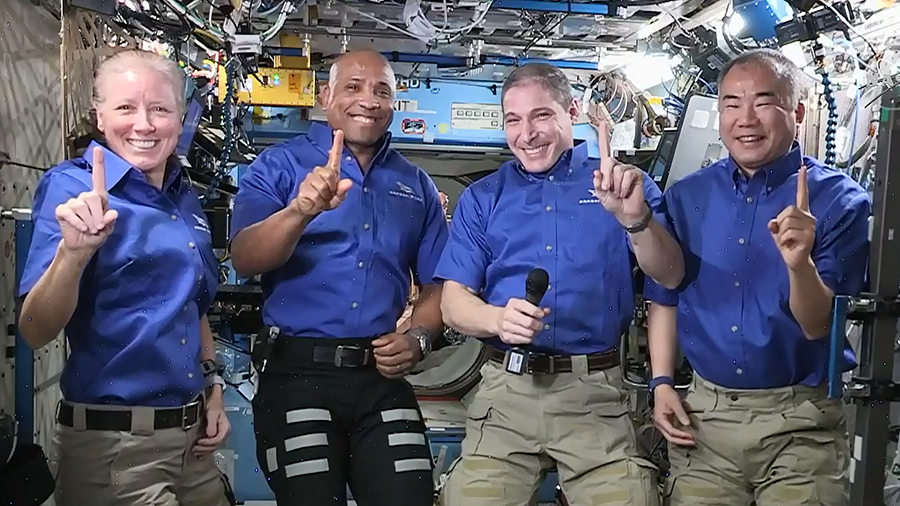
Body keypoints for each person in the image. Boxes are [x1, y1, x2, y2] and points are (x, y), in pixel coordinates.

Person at [436, 62, 685, 506]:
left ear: (572, 110)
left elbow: (669, 276)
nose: (526, 134)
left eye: (541, 116)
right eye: (513, 120)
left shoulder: (624, 186)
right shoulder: (483, 198)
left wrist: (637, 221)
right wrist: (496, 318)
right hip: (506, 396)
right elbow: (453, 303)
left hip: (596, 397)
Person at [647, 48, 870, 506]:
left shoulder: (840, 201)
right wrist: (662, 382)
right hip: (705, 419)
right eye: (731, 103)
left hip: (800, 423)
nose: (745, 118)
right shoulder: (688, 196)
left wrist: (799, 264)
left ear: (797, 111)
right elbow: (665, 297)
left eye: (764, 101)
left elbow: (818, 326)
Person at [229, 49, 448, 506]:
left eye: (381, 91)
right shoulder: (279, 166)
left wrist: (420, 338)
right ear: (326, 96)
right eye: (353, 87)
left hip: (379, 378)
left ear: (393, 105)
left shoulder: (416, 185)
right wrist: (300, 210)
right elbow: (246, 258)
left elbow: (438, 285)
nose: (367, 100)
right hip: (297, 375)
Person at [17, 49, 231, 506]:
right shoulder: (71, 189)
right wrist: (74, 255)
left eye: (160, 108)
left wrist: (213, 387)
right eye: (126, 108)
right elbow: (35, 330)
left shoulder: (181, 195)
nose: (145, 124)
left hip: (192, 443)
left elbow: (192, 307)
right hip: (116, 448)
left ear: (180, 116)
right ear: (99, 115)